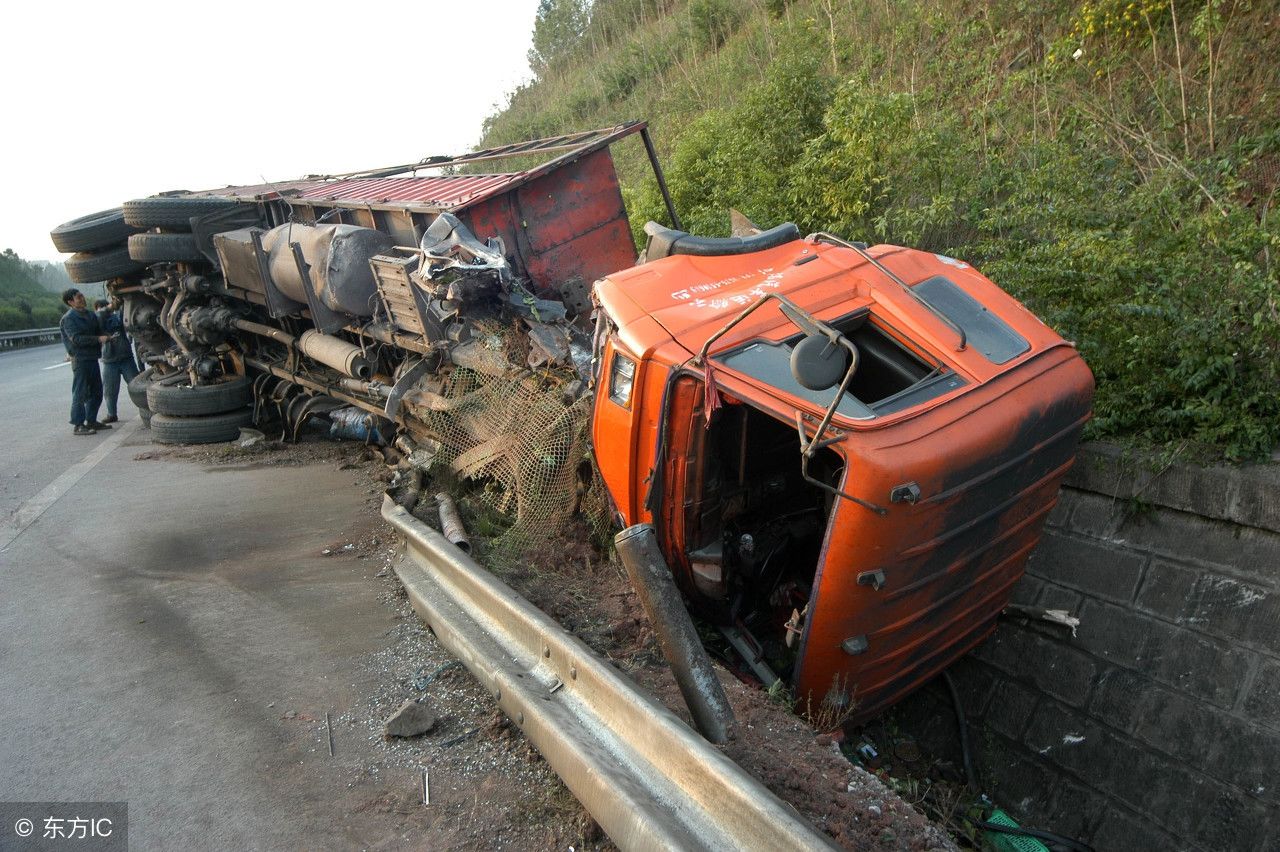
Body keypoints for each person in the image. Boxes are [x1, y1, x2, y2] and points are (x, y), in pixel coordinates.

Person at [58, 288, 112, 436]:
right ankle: (78, 424)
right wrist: (97, 339)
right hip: (80, 359)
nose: (82, 299)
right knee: (80, 393)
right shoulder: (68, 318)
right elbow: (76, 339)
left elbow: (98, 330)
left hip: (92, 357)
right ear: (70, 302)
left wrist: (106, 335)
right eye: (78, 297)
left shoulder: (90, 315)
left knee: (96, 392)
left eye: (82, 296)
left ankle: (91, 420)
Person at [95, 297, 140, 423]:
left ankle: (145, 409)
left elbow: (124, 316)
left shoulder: (117, 318)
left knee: (136, 386)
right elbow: (98, 316)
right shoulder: (97, 321)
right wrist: (108, 308)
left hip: (124, 358)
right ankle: (112, 414)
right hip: (110, 360)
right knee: (110, 390)